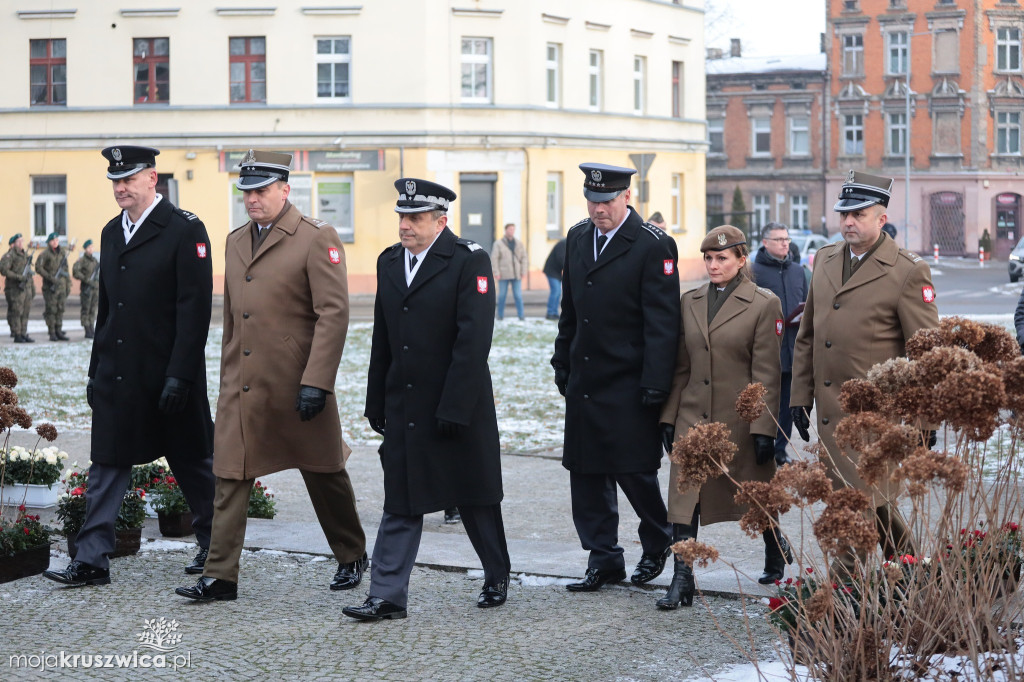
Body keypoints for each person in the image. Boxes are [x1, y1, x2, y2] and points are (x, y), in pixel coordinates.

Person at [176, 150, 367, 603]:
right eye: (247, 191)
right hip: (244, 385)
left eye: (261, 190)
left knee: (324, 472)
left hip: (299, 382)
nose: (252, 199)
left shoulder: (316, 237)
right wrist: (226, 376)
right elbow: (232, 318)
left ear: (285, 189)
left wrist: (317, 382)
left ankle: (351, 552)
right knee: (231, 473)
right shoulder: (236, 239)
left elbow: (333, 314)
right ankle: (220, 575)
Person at [43, 145, 215, 587]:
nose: (120, 188)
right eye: (115, 181)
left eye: (129, 179)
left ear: (152, 179)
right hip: (120, 373)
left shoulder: (184, 230)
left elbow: (194, 312)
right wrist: (94, 368)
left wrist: (181, 375)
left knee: (193, 464)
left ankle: (216, 546)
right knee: (107, 465)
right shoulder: (110, 231)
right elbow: (108, 310)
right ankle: (92, 558)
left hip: (169, 376)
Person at [343, 178, 510, 621]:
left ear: (441, 220)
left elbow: (473, 341)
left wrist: (455, 406)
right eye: (402, 217)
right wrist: (376, 399)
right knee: (401, 498)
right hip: (405, 405)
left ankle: (496, 572)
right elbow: (383, 335)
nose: (405, 226)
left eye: (415, 218)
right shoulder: (389, 261)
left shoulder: (467, 260)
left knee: (474, 495)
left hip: (458, 404)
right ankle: (387, 595)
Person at [790, 170, 940, 575]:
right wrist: (799, 396)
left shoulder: (907, 271)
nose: (848, 222)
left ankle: (838, 598)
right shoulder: (824, 259)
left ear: (882, 217)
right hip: (828, 411)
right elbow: (808, 335)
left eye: (859, 214)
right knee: (872, 502)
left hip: (875, 420)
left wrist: (925, 420)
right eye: (844, 214)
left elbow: (927, 353)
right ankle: (913, 572)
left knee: (856, 506)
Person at [552, 163, 680, 593]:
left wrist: (655, 383)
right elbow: (570, 309)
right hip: (586, 378)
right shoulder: (576, 237)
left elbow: (662, 324)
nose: (598, 209)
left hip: (630, 382)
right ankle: (603, 557)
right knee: (586, 474)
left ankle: (658, 539)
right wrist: (561, 361)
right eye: (592, 200)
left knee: (635, 472)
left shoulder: (652, 245)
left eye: (606, 201)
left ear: (627, 197)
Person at [657, 225, 788, 609]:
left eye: (723, 258)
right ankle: (682, 578)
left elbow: (767, 372)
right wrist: (669, 416)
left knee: (755, 495)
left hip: (738, 420)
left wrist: (764, 426)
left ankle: (774, 547)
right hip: (693, 415)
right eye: (709, 259)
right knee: (684, 498)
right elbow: (681, 365)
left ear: (741, 260)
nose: (714, 265)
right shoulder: (690, 300)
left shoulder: (763, 303)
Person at [751, 222, 807, 464]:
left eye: (786, 238)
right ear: (765, 243)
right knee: (764, 403)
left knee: (788, 405)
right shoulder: (754, 272)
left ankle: (781, 449)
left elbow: (806, 302)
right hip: (765, 351)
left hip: (793, 350)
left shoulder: (798, 271)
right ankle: (761, 445)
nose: (785, 243)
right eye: (779, 239)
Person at [35, 231, 71, 341]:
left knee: (60, 309)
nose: (55, 242)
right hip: (50, 287)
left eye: (57, 240)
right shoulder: (45, 254)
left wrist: (68, 283)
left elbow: (66, 269)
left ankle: (59, 330)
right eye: (53, 241)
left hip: (61, 286)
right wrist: (50, 277)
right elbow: (38, 268)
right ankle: (52, 332)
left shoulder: (62, 253)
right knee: (51, 310)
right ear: (49, 242)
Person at [0, 234, 36, 343]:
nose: (21, 243)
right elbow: (4, 270)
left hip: (26, 288)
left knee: (25, 312)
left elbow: (28, 273)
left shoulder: (24, 255)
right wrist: (18, 277)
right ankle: (17, 334)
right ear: (14, 244)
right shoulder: (10, 256)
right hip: (15, 289)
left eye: (22, 241)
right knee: (17, 312)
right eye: (18, 242)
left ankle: (23, 333)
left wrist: (32, 287)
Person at [491, 222, 527, 321]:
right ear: (506, 230)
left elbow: (524, 258)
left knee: (518, 296)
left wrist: (523, 271)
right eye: (510, 229)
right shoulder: (498, 244)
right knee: (502, 296)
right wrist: (496, 272)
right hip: (503, 274)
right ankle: (500, 315)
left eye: (513, 229)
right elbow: (494, 259)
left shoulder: (518, 243)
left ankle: (521, 316)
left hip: (516, 274)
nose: (512, 231)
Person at [72, 239, 99, 339]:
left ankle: (91, 327)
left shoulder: (95, 260)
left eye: (92, 247)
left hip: (95, 289)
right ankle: (87, 329)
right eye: (89, 247)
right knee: (86, 309)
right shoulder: (82, 260)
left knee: (93, 309)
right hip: (86, 289)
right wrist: (86, 279)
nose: (91, 249)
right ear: (86, 249)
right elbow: (75, 271)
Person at [543, 238, 567, 320]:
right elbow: (562, 259)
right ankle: (550, 313)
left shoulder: (566, 243)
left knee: (558, 292)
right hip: (551, 271)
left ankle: (554, 313)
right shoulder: (562, 244)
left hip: (556, 272)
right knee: (556, 291)